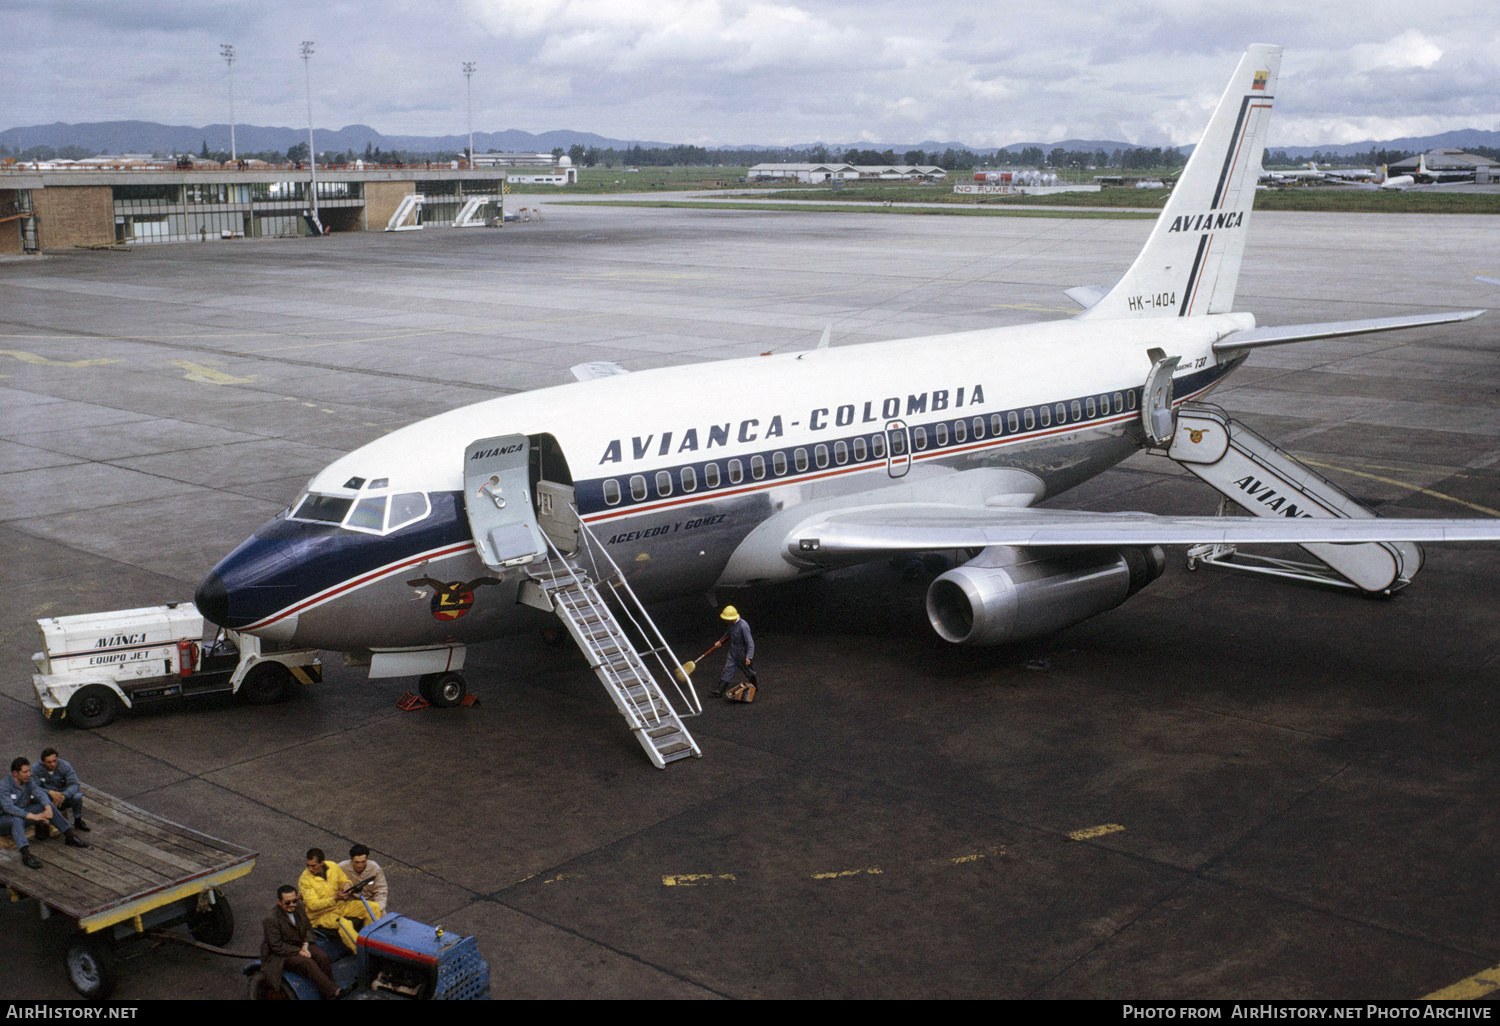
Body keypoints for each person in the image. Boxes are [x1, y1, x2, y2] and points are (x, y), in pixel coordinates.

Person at [3, 757, 89, 870]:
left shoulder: (27, 782)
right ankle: (25, 855)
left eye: (29, 770)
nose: (28, 774)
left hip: (24, 815)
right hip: (5, 820)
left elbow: (40, 794)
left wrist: (48, 808)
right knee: (16, 819)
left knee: (45, 805)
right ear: (15, 773)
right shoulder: (4, 786)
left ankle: (70, 836)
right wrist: (34, 816)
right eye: (25, 772)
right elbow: (9, 808)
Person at [260, 885, 340, 999]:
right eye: (287, 903)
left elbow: (308, 927)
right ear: (279, 902)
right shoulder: (271, 919)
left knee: (322, 957)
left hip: (301, 944)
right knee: (308, 963)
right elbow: (276, 946)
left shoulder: (300, 907)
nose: (292, 905)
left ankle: (328, 989)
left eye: (294, 901)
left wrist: (306, 945)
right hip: (282, 953)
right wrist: (300, 951)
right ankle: (334, 992)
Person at [299, 847, 381, 953]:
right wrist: (335, 898)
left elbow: (345, 881)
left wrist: (347, 885)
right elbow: (313, 905)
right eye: (308, 865)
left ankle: (372, 943)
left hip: (340, 906)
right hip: (321, 916)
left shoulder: (333, 866)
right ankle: (363, 954)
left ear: (322, 863)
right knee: (344, 924)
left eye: (313, 866)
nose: (309, 869)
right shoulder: (304, 880)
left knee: (373, 907)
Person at [34, 748, 88, 832]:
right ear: (42, 762)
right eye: (49, 762)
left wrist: (63, 795)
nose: (52, 764)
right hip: (47, 799)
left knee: (77, 797)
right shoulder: (36, 768)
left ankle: (78, 820)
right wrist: (49, 792)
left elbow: (75, 784)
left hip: (63, 797)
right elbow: (33, 787)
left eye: (54, 761)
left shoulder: (65, 766)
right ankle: (41, 825)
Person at [712, 605, 757, 698]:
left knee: (748, 671)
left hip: (742, 654)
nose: (725, 621)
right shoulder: (732, 625)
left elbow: (750, 643)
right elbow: (727, 634)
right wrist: (720, 641)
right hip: (732, 652)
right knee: (727, 669)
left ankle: (755, 686)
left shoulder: (743, 626)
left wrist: (749, 656)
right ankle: (719, 691)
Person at [337, 844, 389, 911]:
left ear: (367, 859)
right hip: (350, 903)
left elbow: (381, 891)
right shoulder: (341, 867)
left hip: (370, 902)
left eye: (363, 862)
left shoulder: (375, 869)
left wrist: (378, 909)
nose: (360, 865)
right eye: (357, 862)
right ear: (351, 860)